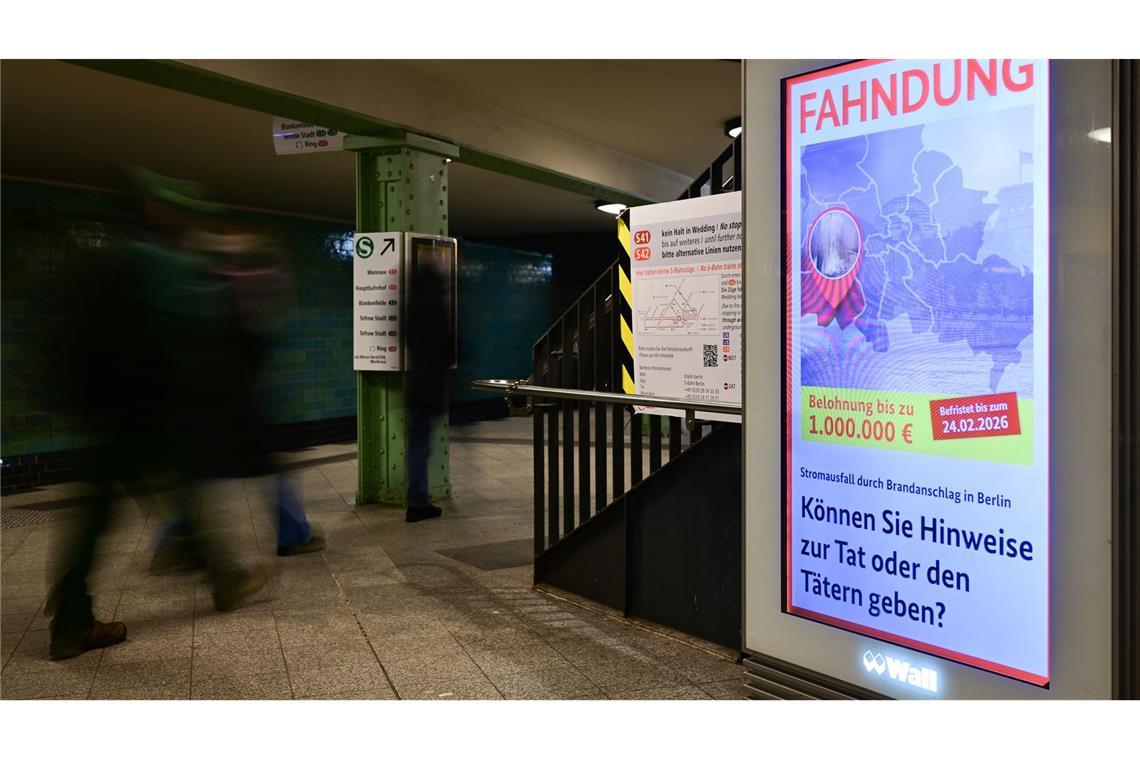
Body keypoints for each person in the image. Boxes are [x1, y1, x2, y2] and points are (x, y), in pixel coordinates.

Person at [404, 260, 450, 522]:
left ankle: (417, 498)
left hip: (415, 386)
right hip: (430, 387)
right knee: (422, 447)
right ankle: (418, 501)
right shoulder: (435, 310)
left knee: (418, 446)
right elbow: (445, 348)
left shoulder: (412, 308)